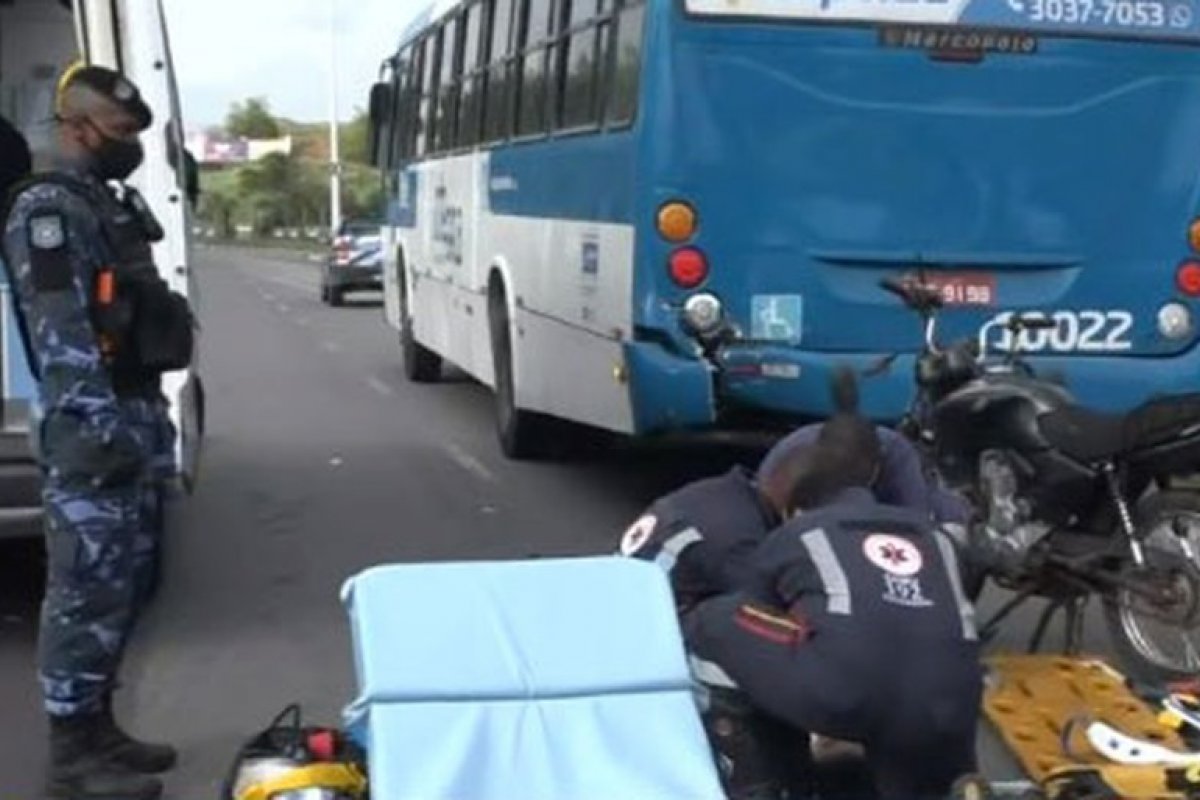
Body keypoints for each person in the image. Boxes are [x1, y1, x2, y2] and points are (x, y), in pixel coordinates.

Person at [1, 64, 193, 799]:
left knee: (123, 585)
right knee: (83, 589)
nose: (129, 146)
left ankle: (100, 725)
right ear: (76, 128)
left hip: (130, 415)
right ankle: (71, 754)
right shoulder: (47, 211)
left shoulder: (100, 201)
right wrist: (98, 428)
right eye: (118, 133)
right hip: (93, 427)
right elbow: (62, 336)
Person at [683, 403, 983, 800]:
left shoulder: (799, 533)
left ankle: (762, 779)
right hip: (954, 706)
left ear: (799, 508)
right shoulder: (935, 536)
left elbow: (757, 612)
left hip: (846, 697)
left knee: (717, 618)